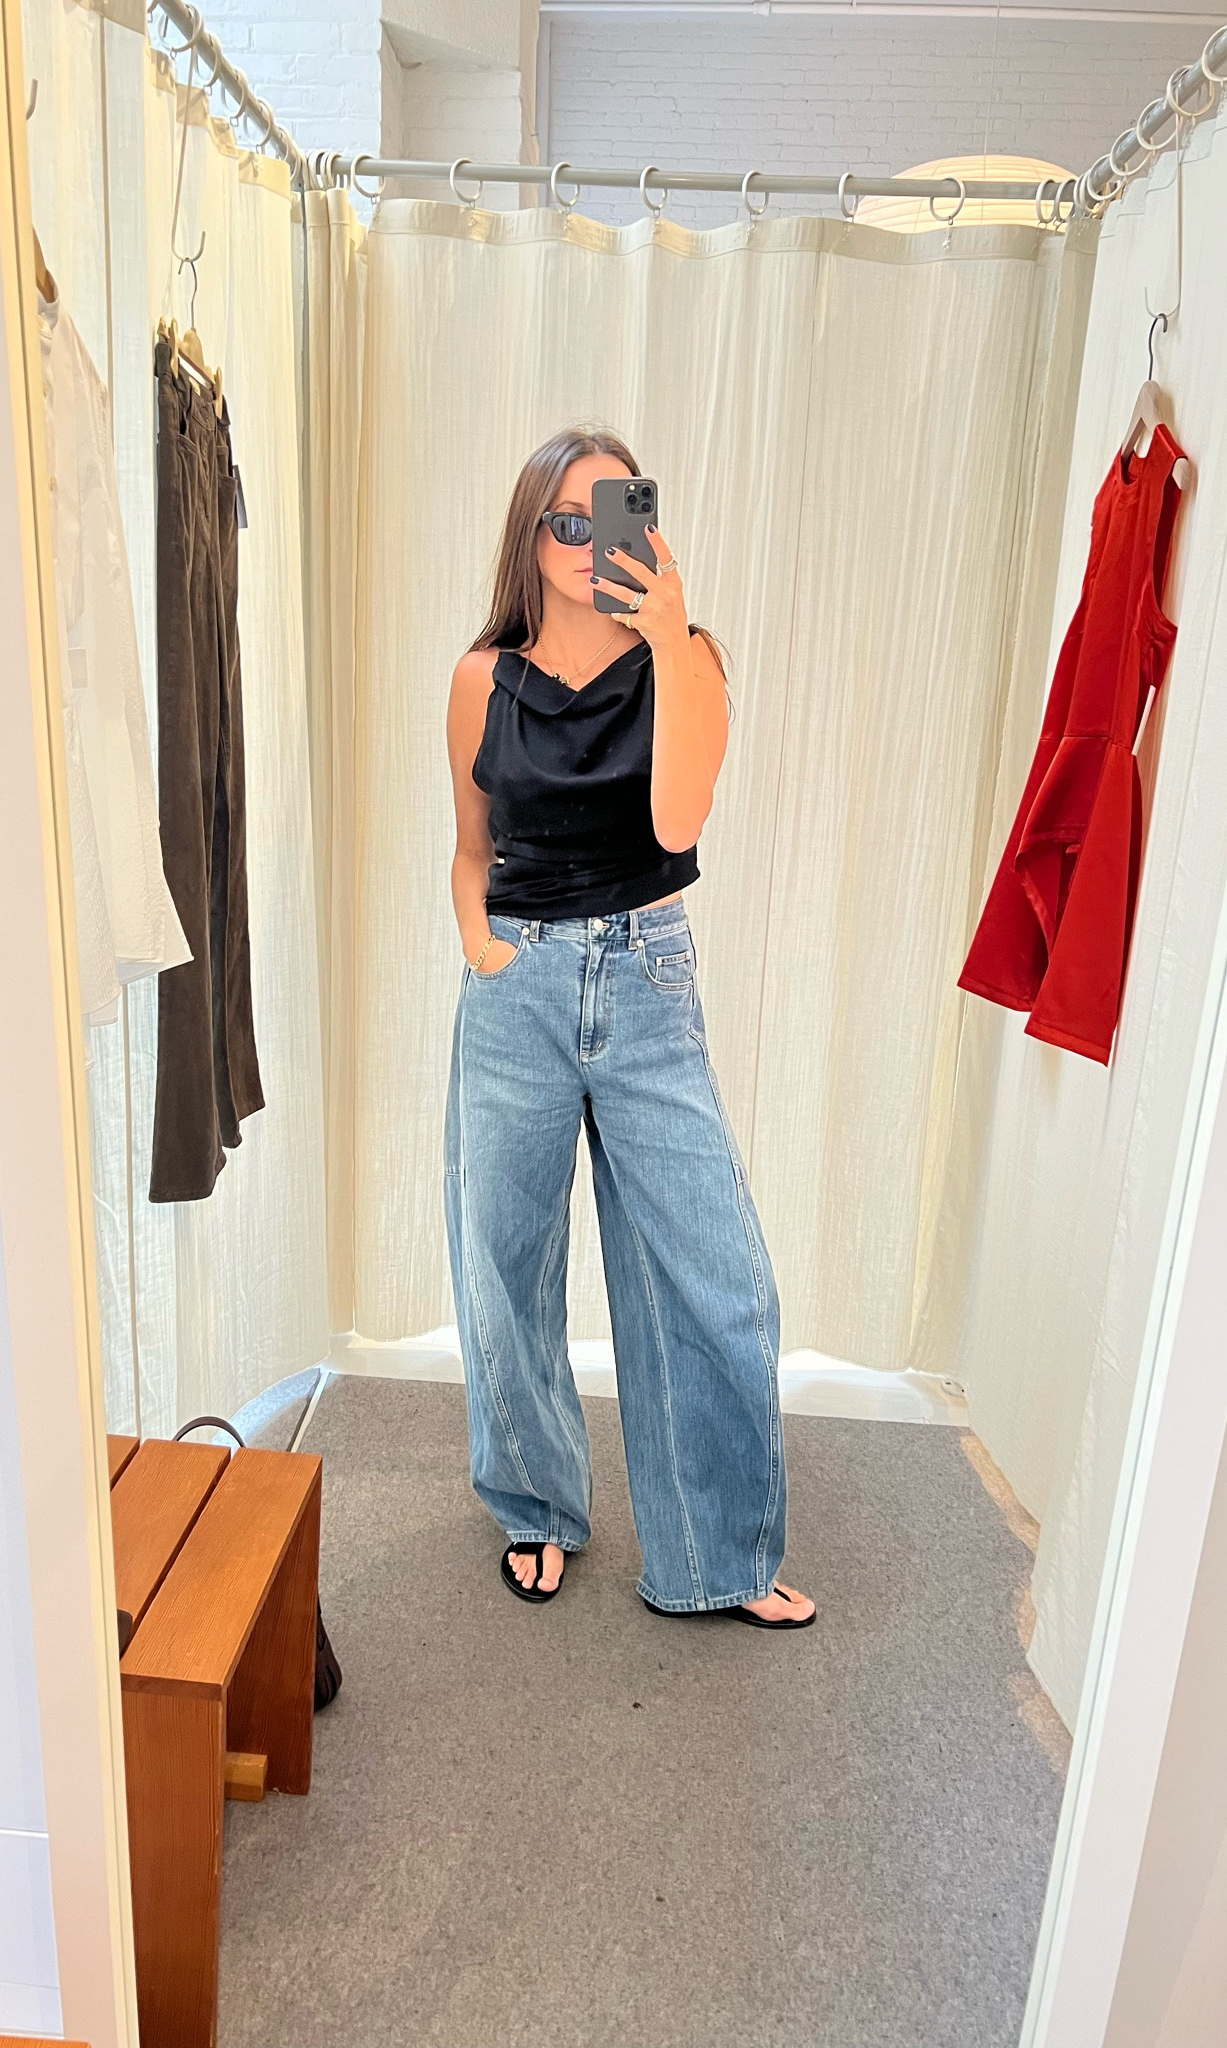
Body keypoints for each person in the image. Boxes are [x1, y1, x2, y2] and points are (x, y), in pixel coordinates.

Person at [443, 425, 815, 1629]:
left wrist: (669, 636)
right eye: (567, 518)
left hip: (647, 974)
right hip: (518, 981)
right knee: (503, 1256)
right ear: (531, 535)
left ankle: (716, 1553)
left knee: (716, 1276)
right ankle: (536, 1505)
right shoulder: (481, 679)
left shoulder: (686, 659)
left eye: (615, 513)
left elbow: (675, 824)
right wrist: (483, 950)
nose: (588, 540)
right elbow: (470, 849)